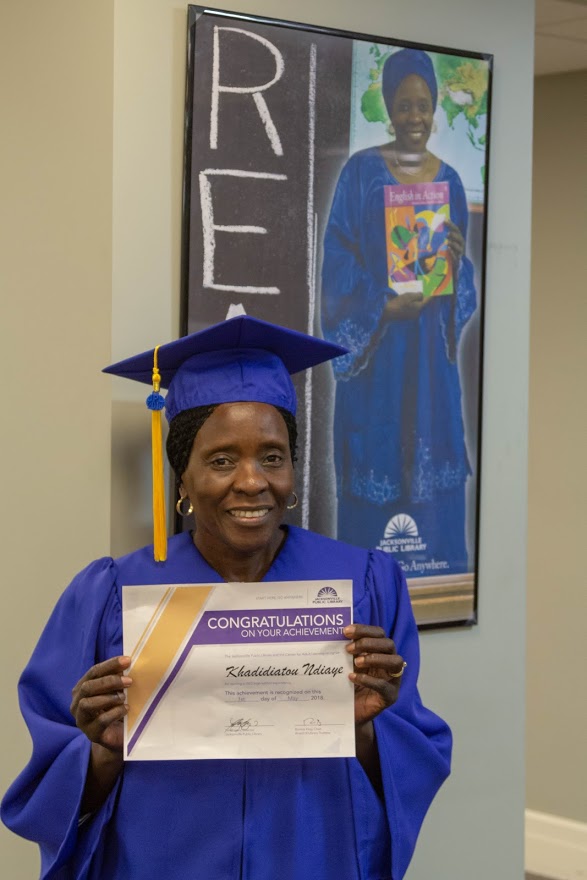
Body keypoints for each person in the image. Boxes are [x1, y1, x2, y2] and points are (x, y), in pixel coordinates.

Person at [1, 315, 451, 880]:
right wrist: (105, 751)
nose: (252, 481)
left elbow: (415, 760)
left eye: (272, 455)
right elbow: (50, 792)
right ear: (182, 478)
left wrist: (365, 728)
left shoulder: (364, 584)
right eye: (220, 461)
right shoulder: (112, 595)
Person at [321, 48, 477, 574]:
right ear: (389, 108)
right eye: (405, 105)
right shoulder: (361, 174)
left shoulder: (450, 182)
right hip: (379, 368)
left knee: (434, 530)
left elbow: (464, 286)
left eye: (425, 105)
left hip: (430, 375)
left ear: (435, 110)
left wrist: (454, 264)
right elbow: (337, 268)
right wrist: (384, 306)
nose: (415, 117)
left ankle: (440, 591)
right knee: (372, 515)